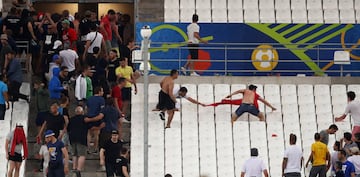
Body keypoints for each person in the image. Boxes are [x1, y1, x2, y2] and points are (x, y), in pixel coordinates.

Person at [67, 106, 88, 177]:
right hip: (81, 138)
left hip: (72, 138)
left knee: (74, 154)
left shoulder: (71, 119)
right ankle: (78, 170)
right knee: (82, 154)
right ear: (82, 112)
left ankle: (74, 168)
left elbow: (68, 128)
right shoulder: (84, 119)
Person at [85, 86, 105, 154]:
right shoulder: (101, 99)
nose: (103, 92)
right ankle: (95, 149)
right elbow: (102, 109)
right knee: (96, 133)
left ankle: (88, 148)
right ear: (99, 92)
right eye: (102, 91)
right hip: (97, 117)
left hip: (89, 116)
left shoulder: (89, 99)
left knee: (89, 133)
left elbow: (86, 108)